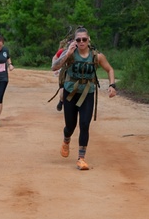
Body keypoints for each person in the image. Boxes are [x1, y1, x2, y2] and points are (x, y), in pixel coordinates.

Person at [50, 27, 117, 170]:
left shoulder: (96, 56)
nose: (81, 42)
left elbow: (110, 69)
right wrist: (67, 53)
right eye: (78, 39)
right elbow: (54, 67)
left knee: (85, 124)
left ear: (88, 40)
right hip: (70, 92)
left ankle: (81, 158)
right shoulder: (70, 53)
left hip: (87, 93)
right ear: (75, 41)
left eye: (84, 39)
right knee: (70, 125)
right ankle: (66, 140)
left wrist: (112, 85)